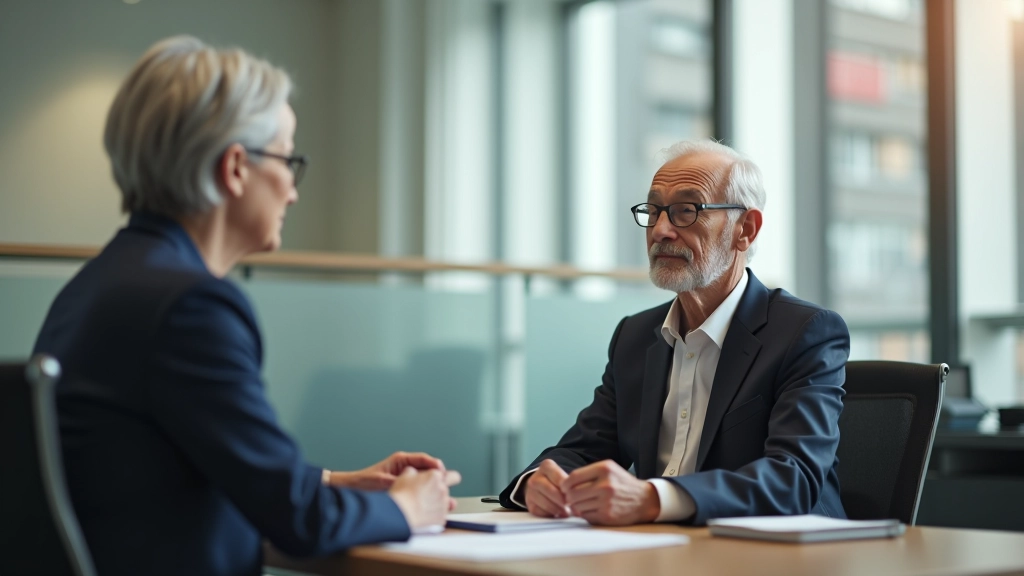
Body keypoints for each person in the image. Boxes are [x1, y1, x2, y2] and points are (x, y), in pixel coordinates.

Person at [32, 36, 458, 576]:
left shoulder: (96, 285)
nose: (293, 191)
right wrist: (407, 508)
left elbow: (170, 471)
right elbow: (299, 522)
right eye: (288, 159)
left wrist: (334, 483)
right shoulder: (191, 307)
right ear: (235, 168)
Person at [499, 140, 849, 526]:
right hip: (664, 546)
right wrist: (538, 483)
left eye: (686, 211)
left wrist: (653, 498)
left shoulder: (804, 333)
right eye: (653, 211)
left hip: (777, 549)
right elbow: (584, 449)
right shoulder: (635, 336)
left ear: (745, 230)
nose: (661, 230)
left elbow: (793, 478)